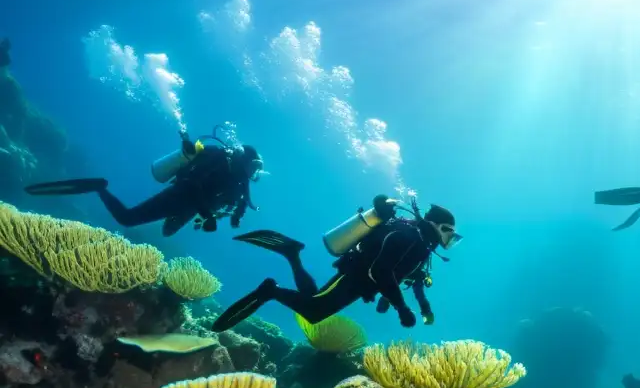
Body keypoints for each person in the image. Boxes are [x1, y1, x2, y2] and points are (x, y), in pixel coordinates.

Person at [211, 195, 460, 332]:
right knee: (314, 310)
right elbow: (381, 270)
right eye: (451, 234)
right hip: (355, 276)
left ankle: (292, 254)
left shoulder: (420, 244)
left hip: (360, 282)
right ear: (441, 226)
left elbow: (400, 273)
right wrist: (401, 308)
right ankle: (269, 291)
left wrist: (392, 301)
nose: (450, 240)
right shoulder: (410, 237)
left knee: (314, 299)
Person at [24, 127, 263, 236]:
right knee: (127, 219)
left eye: (257, 169)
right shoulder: (218, 158)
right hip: (181, 196)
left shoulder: (240, 180)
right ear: (243, 158)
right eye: (253, 166)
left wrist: (237, 217)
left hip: (192, 207)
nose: (254, 172)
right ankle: (99, 188)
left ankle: (173, 220)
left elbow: (242, 200)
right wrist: (208, 216)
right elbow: (193, 183)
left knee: (168, 233)